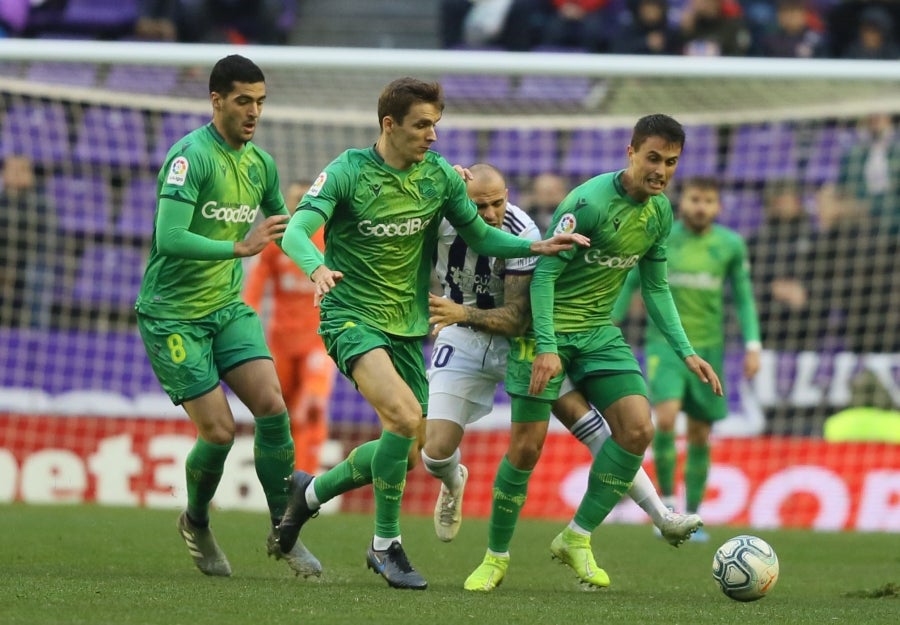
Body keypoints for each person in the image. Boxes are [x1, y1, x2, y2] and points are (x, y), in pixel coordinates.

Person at [275, 77, 589, 590]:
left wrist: (536, 248)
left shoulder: (439, 177)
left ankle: (308, 494)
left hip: (407, 327)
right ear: (389, 125)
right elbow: (294, 229)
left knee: (408, 439)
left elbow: (482, 234)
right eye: (423, 125)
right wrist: (316, 269)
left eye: (436, 125)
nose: (433, 136)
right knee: (402, 417)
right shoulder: (347, 172)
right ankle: (385, 546)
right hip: (350, 315)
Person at [464, 114, 723, 592]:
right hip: (545, 331)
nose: (661, 171)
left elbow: (657, 287)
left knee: (638, 428)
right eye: (652, 158)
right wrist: (545, 347)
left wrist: (685, 352)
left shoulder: (661, 213)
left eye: (670, 162)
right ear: (630, 152)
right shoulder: (587, 204)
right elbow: (543, 276)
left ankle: (577, 537)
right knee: (525, 449)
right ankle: (495, 558)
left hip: (598, 333)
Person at [424, 162, 703, 548]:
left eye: (497, 203)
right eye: (479, 207)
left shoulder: (523, 230)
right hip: (460, 337)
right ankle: (454, 481)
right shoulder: (438, 219)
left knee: (589, 423)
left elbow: (519, 317)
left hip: (517, 339)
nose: (489, 214)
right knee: (435, 452)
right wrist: (435, 169)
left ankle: (661, 515)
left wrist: (463, 312)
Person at [134, 54, 321, 579]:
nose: (254, 111)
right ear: (217, 101)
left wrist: (319, 270)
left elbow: (285, 229)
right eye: (244, 101)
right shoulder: (189, 158)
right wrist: (239, 248)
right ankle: (195, 521)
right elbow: (168, 238)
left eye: (260, 101)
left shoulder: (262, 164)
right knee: (218, 432)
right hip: (173, 315)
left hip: (226, 308)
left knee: (272, 406)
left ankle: (283, 531)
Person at [612, 176, 762, 542]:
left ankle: (694, 513)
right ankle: (665, 506)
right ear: (684, 202)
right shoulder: (661, 237)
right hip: (665, 346)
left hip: (710, 348)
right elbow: (631, 282)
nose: (700, 207)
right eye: (695, 199)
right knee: (664, 419)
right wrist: (608, 321)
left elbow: (742, 297)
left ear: (719, 207)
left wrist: (753, 344)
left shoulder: (730, 245)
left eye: (708, 201)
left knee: (699, 432)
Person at [244, 180, 337, 474]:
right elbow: (255, 288)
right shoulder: (277, 243)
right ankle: (284, 476)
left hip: (317, 342)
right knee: (281, 414)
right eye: (293, 200)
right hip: (281, 342)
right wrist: (247, 320)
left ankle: (307, 477)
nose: (298, 206)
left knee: (311, 407)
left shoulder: (329, 239)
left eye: (304, 199)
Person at [0, 154, 57, 328]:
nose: (18, 175)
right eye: (13, 170)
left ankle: (34, 335)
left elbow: (48, 244)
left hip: (30, 264)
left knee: (37, 277)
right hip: (4, 264)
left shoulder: (41, 205)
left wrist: (16, 269)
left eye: (23, 170)